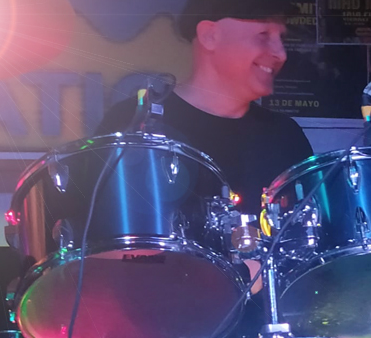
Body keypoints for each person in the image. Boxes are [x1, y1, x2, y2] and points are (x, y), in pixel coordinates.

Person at [96, 0, 314, 215]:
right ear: (210, 36)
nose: (281, 54)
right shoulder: (132, 123)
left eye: (281, 38)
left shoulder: (286, 136)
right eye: (263, 35)